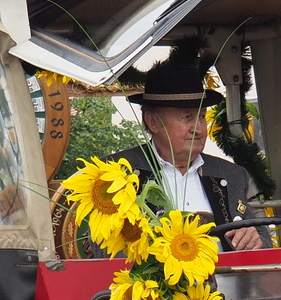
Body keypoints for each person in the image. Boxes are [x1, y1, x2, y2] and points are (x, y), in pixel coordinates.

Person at [111, 53, 263, 250]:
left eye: (201, 117)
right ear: (153, 122)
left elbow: (263, 240)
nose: (197, 128)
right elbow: (103, 248)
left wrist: (254, 240)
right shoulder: (118, 172)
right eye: (186, 118)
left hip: (229, 280)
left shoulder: (231, 175)